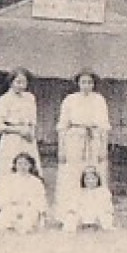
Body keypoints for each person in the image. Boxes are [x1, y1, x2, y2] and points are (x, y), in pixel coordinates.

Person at [55, 68, 111, 215]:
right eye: (83, 82)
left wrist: (103, 149)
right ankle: (69, 213)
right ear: (78, 83)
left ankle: (95, 213)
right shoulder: (70, 100)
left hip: (94, 139)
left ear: (94, 84)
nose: (86, 85)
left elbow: (104, 127)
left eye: (90, 82)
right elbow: (62, 127)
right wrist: (62, 149)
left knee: (95, 173)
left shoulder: (99, 100)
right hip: (74, 139)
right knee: (73, 175)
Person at [0, 67, 39, 209]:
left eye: (24, 82)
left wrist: (30, 133)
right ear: (11, 82)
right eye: (17, 82)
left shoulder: (30, 98)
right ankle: (3, 205)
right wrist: (17, 130)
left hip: (28, 138)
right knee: (8, 170)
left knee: (29, 168)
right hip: (11, 139)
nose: (21, 85)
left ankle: (28, 204)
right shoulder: (3, 100)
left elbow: (33, 120)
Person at [0, 152, 48, 233]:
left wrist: (33, 206)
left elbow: (40, 198)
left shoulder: (36, 181)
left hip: (29, 208)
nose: (22, 166)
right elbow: (2, 195)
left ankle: (24, 225)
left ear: (30, 165)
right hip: (12, 207)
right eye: (19, 164)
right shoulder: (8, 180)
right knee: (8, 215)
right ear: (15, 165)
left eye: (25, 164)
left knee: (27, 219)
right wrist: (10, 202)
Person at [60, 165, 115, 233]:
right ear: (83, 180)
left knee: (106, 217)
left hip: (98, 214)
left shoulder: (103, 192)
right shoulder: (79, 191)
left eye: (93, 179)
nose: (90, 181)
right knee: (71, 217)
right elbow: (73, 205)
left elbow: (107, 207)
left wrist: (101, 215)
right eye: (87, 179)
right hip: (82, 214)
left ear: (98, 179)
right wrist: (74, 213)